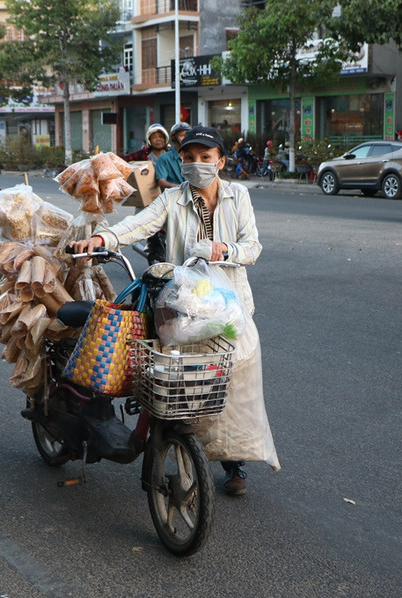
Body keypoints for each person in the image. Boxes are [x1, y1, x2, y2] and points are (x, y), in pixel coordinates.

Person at [70, 126, 280, 495]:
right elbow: (138, 224)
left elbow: (253, 246)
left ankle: (235, 463)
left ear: (221, 161)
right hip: (183, 308)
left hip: (231, 308)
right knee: (185, 380)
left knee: (230, 383)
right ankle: (185, 445)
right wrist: (102, 238)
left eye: (205, 157)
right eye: (189, 157)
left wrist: (224, 250)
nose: (196, 164)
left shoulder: (238, 195)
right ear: (180, 161)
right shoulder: (172, 200)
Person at [155, 122, 190, 190]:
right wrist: (179, 187)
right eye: (182, 135)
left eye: (187, 135)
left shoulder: (195, 156)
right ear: (174, 138)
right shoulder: (164, 158)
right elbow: (161, 181)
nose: (186, 138)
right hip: (173, 197)